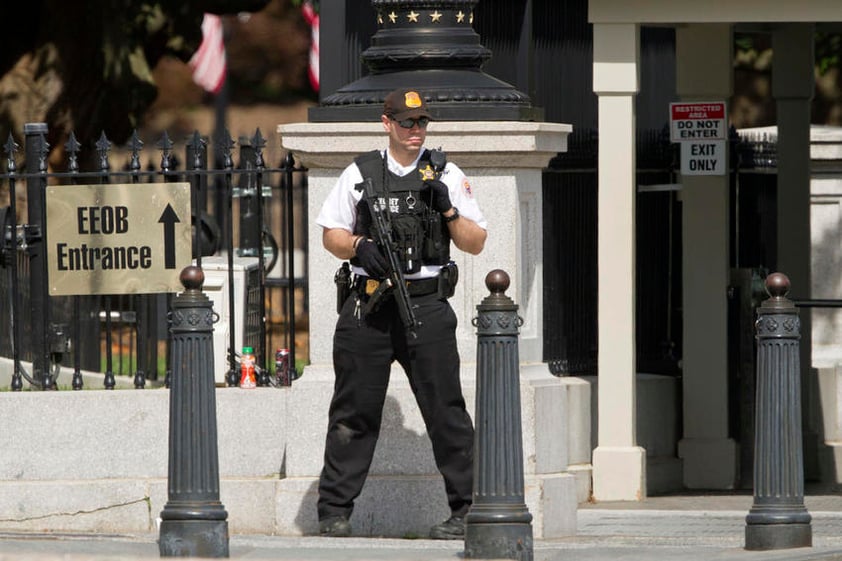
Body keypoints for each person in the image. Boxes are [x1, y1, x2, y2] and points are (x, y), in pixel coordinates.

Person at [315, 88, 488, 539]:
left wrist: (446, 205)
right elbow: (330, 233)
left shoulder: (445, 171)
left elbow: (474, 242)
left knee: (446, 409)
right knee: (352, 411)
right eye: (407, 123)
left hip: (425, 305)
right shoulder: (361, 171)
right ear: (386, 123)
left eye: (422, 123)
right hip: (369, 305)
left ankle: (468, 510)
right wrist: (358, 245)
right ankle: (334, 511)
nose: (416, 131)